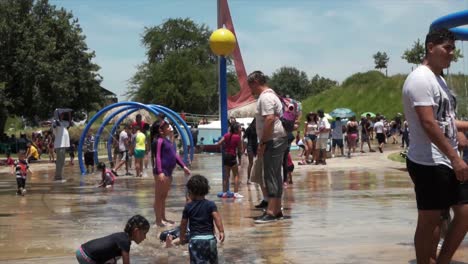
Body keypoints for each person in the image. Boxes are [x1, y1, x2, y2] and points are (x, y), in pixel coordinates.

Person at [402, 28, 468, 264]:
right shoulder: (420, 79)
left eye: (453, 49)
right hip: (428, 161)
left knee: (464, 214)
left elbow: (445, 119)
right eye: (446, 48)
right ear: (431, 47)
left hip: (445, 159)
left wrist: (462, 128)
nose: (451, 54)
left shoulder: (438, 79)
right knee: (429, 220)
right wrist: (456, 158)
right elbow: (428, 123)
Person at [248, 70, 288, 223]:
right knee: (275, 175)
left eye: (250, 86)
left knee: (270, 175)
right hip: (277, 139)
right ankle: (276, 209)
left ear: (256, 82)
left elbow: (269, 120)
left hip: (273, 140)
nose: (250, 90)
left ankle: (271, 211)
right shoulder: (273, 96)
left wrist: (263, 142)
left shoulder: (265, 98)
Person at [175, 175, 225, 263]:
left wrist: (182, 237)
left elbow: (183, 224)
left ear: (190, 191)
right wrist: (221, 231)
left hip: (195, 241)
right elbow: (217, 218)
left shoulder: (188, 207)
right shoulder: (211, 204)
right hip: (210, 240)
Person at [151, 119, 191, 227]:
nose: (170, 128)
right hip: (162, 171)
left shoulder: (168, 141)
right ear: (161, 130)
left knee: (163, 196)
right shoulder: (159, 141)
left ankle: (163, 218)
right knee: (159, 197)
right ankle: (158, 221)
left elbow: (175, 156)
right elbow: (158, 156)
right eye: (167, 127)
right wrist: (160, 172)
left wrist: (184, 166)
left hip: (168, 172)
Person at [76, 215, 150, 264]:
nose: (145, 237)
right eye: (144, 233)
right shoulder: (125, 242)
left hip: (82, 250)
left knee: (113, 260)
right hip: (87, 256)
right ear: (136, 231)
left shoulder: (121, 236)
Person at [216, 122, 242, 197]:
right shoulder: (237, 137)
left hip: (226, 156)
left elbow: (219, 143)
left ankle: (224, 193)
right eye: (239, 128)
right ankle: (236, 193)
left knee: (226, 175)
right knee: (236, 175)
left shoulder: (226, 135)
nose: (240, 129)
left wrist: (225, 146)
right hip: (232, 156)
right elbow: (240, 149)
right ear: (236, 129)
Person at [52, 109, 71, 181]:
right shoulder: (55, 122)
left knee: (62, 161)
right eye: (61, 114)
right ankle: (58, 177)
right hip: (60, 144)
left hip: (63, 144)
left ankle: (59, 176)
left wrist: (69, 115)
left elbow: (69, 124)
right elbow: (54, 126)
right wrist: (56, 117)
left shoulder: (63, 123)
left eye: (63, 114)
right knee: (60, 161)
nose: (63, 116)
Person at [244, 118, 258, 184]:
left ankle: (256, 178)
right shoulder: (249, 128)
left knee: (257, 163)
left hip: (256, 146)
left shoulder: (258, 128)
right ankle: (248, 179)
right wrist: (244, 148)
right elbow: (243, 137)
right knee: (251, 163)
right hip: (250, 146)